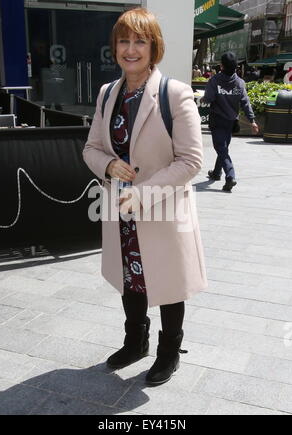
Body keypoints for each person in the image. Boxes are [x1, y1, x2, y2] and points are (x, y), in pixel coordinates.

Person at [83, 8, 207, 386]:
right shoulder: (108, 94)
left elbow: (191, 160)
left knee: (168, 282)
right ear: (115, 47)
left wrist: (143, 194)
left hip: (163, 210)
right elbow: (91, 148)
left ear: (155, 48)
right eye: (124, 40)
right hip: (120, 211)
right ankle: (135, 341)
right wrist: (107, 165)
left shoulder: (174, 93)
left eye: (141, 41)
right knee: (130, 278)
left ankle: (169, 352)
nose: (131, 49)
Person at [202, 51, 259, 192]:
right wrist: (252, 120)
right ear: (236, 67)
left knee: (221, 148)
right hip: (231, 122)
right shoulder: (240, 83)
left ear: (221, 66)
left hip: (217, 120)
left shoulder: (214, 81)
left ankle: (230, 176)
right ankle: (216, 173)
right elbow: (246, 103)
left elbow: (208, 98)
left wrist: (203, 99)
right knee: (223, 147)